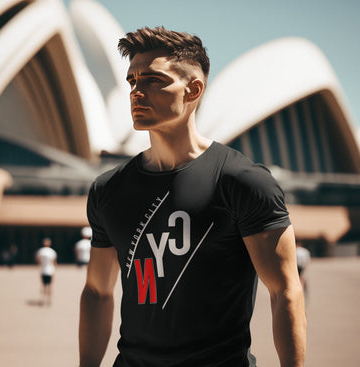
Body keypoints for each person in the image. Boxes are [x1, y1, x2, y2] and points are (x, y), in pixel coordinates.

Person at [79, 27, 306, 367]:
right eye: (132, 81)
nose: (136, 92)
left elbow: (285, 291)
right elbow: (97, 292)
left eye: (154, 80)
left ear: (193, 89)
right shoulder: (108, 190)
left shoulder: (243, 182)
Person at [35, 237, 57, 306]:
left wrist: (41, 264)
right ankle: (49, 300)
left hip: (43, 270)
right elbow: (54, 262)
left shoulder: (40, 251)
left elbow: (37, 260)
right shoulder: (52, 251)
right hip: (50, 270)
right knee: (50, 286)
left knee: (43, 286)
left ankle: (43, 300)